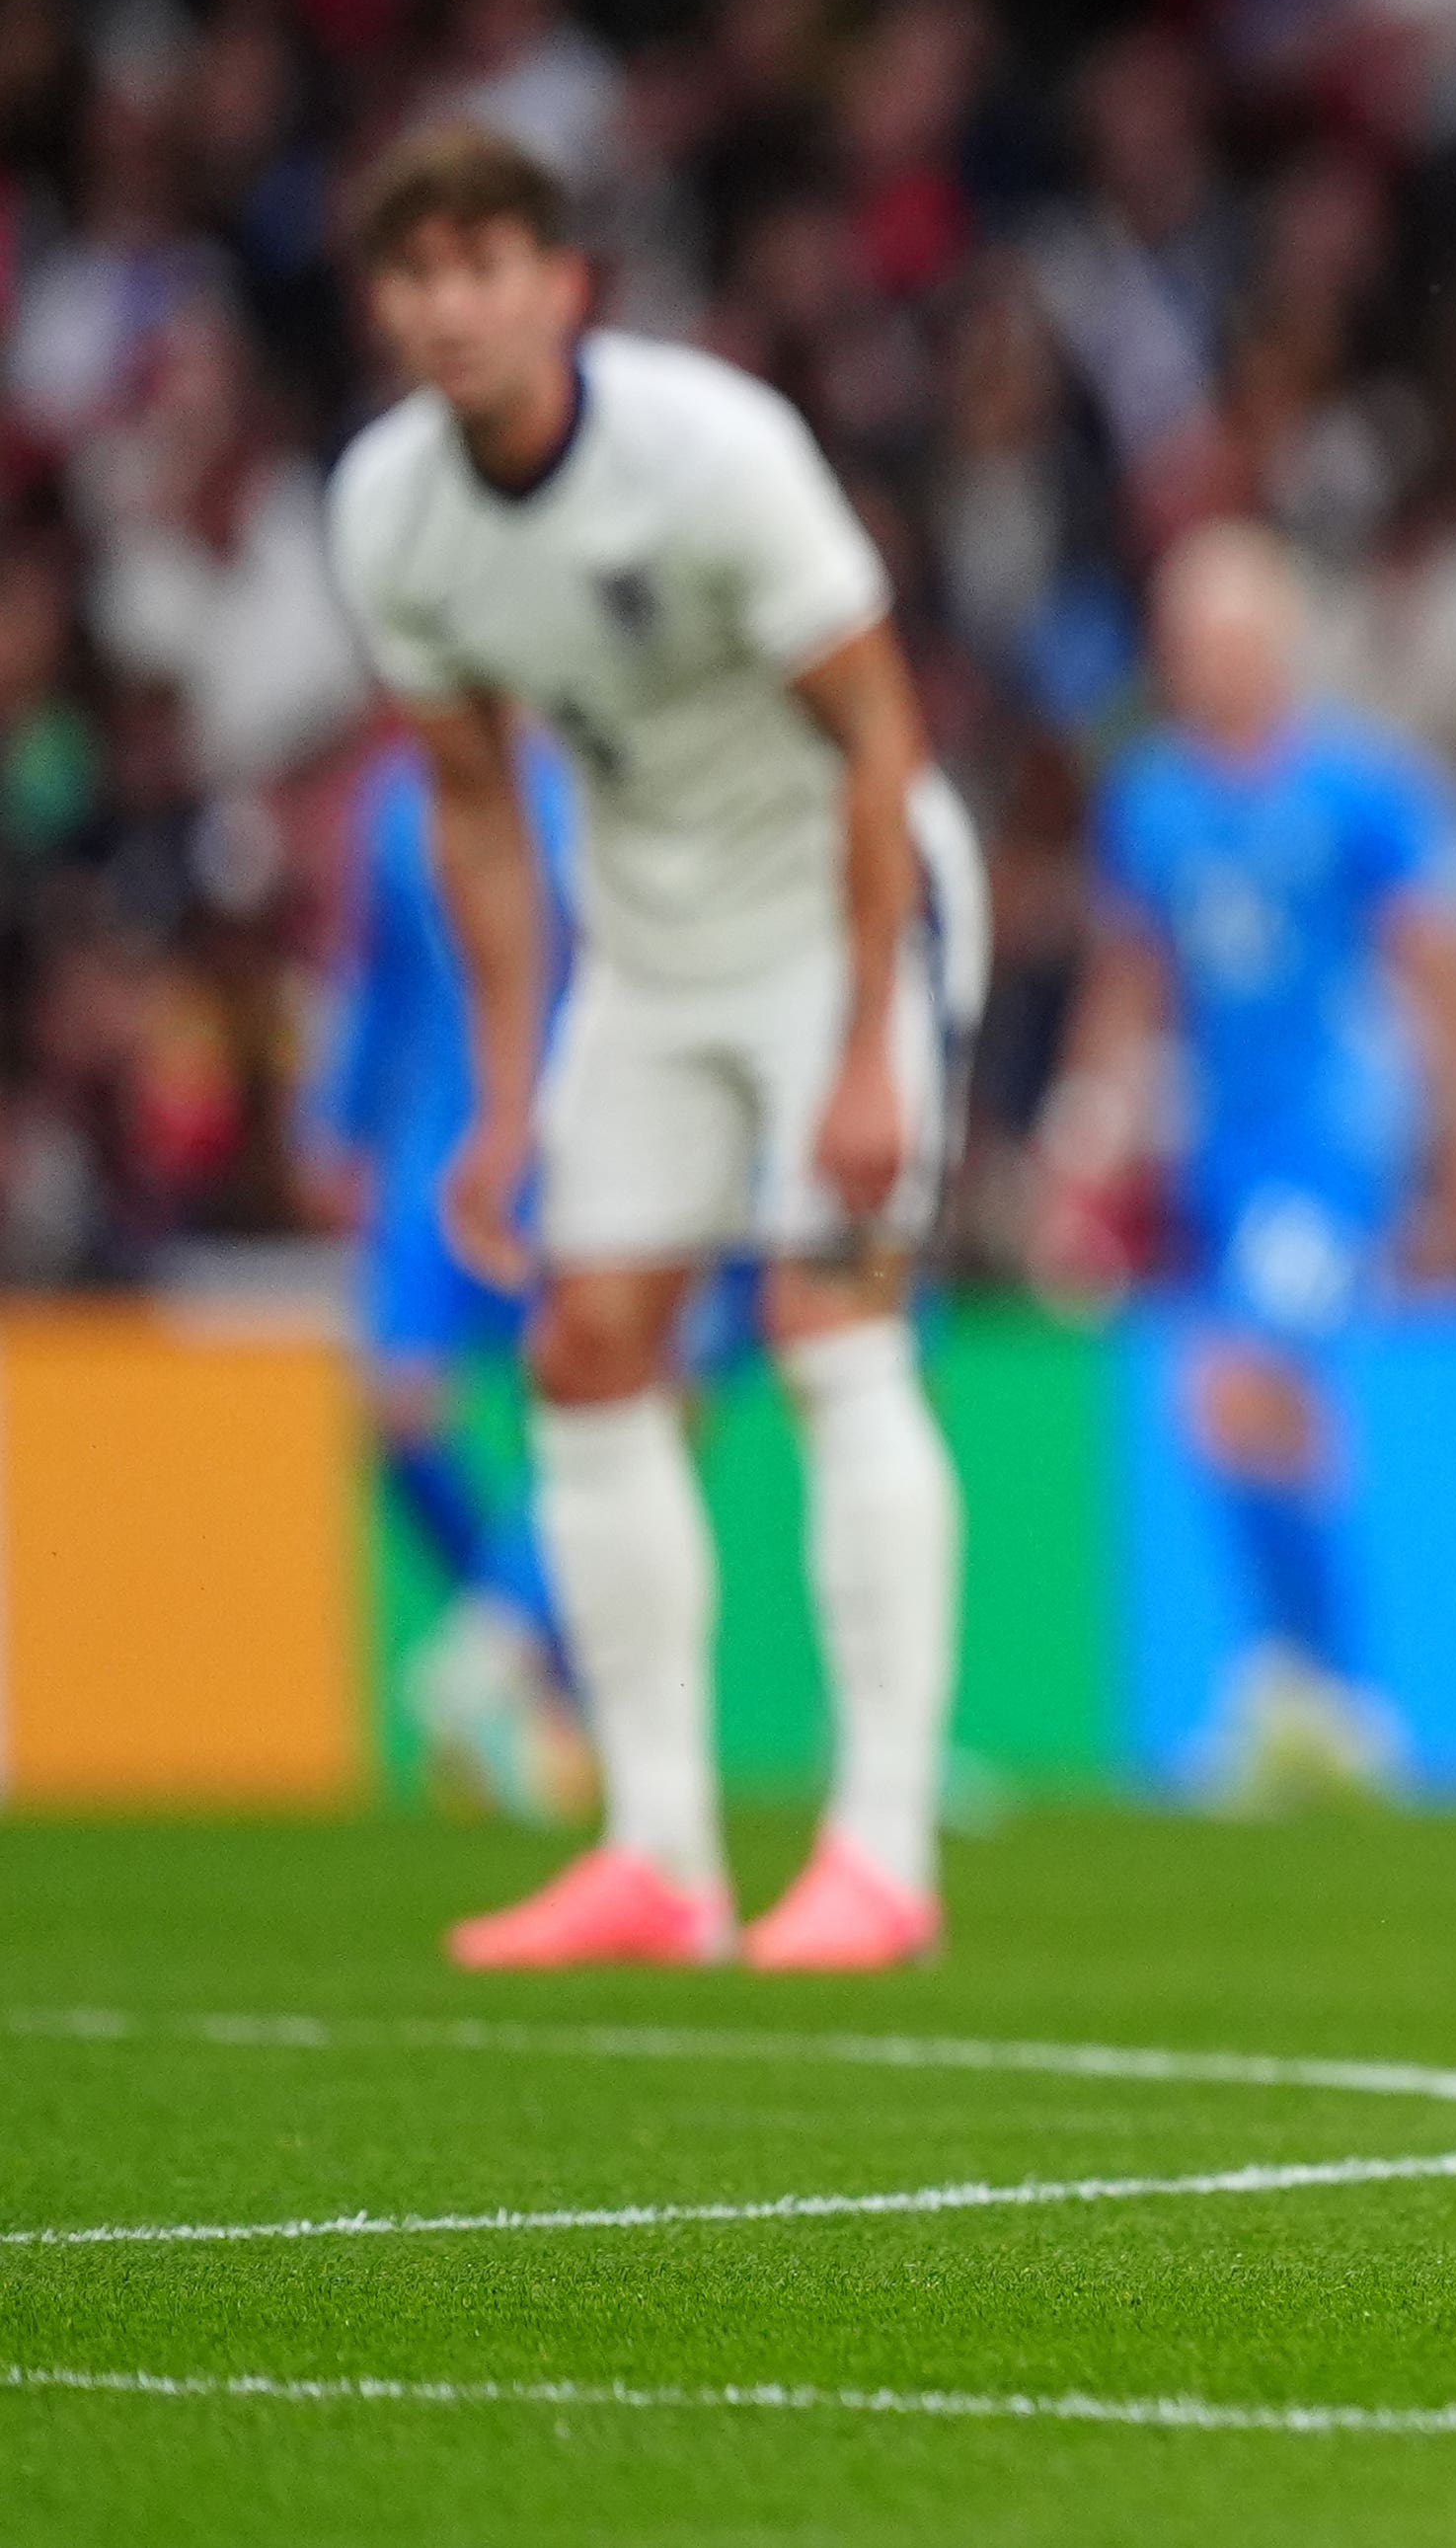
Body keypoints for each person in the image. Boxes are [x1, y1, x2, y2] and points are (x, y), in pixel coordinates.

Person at [324, 118, 992, 1975]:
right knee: (587, 1344)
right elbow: (469, 806)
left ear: (564, 287)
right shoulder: (391, 512)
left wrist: (868, 1051)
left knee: (826, 1327)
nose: (451, 307)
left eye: (484, 266)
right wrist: (504, 1087)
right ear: (387, 307)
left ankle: (877, 1854)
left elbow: (877, 739)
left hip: (849, 918)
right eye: (416, 274)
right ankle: (660, 1855)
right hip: (654, 945)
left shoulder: (710, 456)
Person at [1043, 524, 1456, 1810]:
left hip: (1332, 1132)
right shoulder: (1148, 799)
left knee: (1239, 1385)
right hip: (1218, 1138)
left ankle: (1332, 1694)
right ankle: (1301, 1686)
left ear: (1280, 644)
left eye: (1234, 638)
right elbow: (1132, 975)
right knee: (1252, 1412)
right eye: (1191, 643)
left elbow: (1438, 965)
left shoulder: (1356, 790)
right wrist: (1087, 1130)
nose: (1214, 665)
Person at [311, 723, 591, 1823]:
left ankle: (500, 1653)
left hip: (568, 1135)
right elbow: (374, 973)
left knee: (585, 1400)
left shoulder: (586, 788)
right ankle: (512, 1644)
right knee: (397, 1412)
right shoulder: (393, 800)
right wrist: (339, 1119)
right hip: (433, 1141)